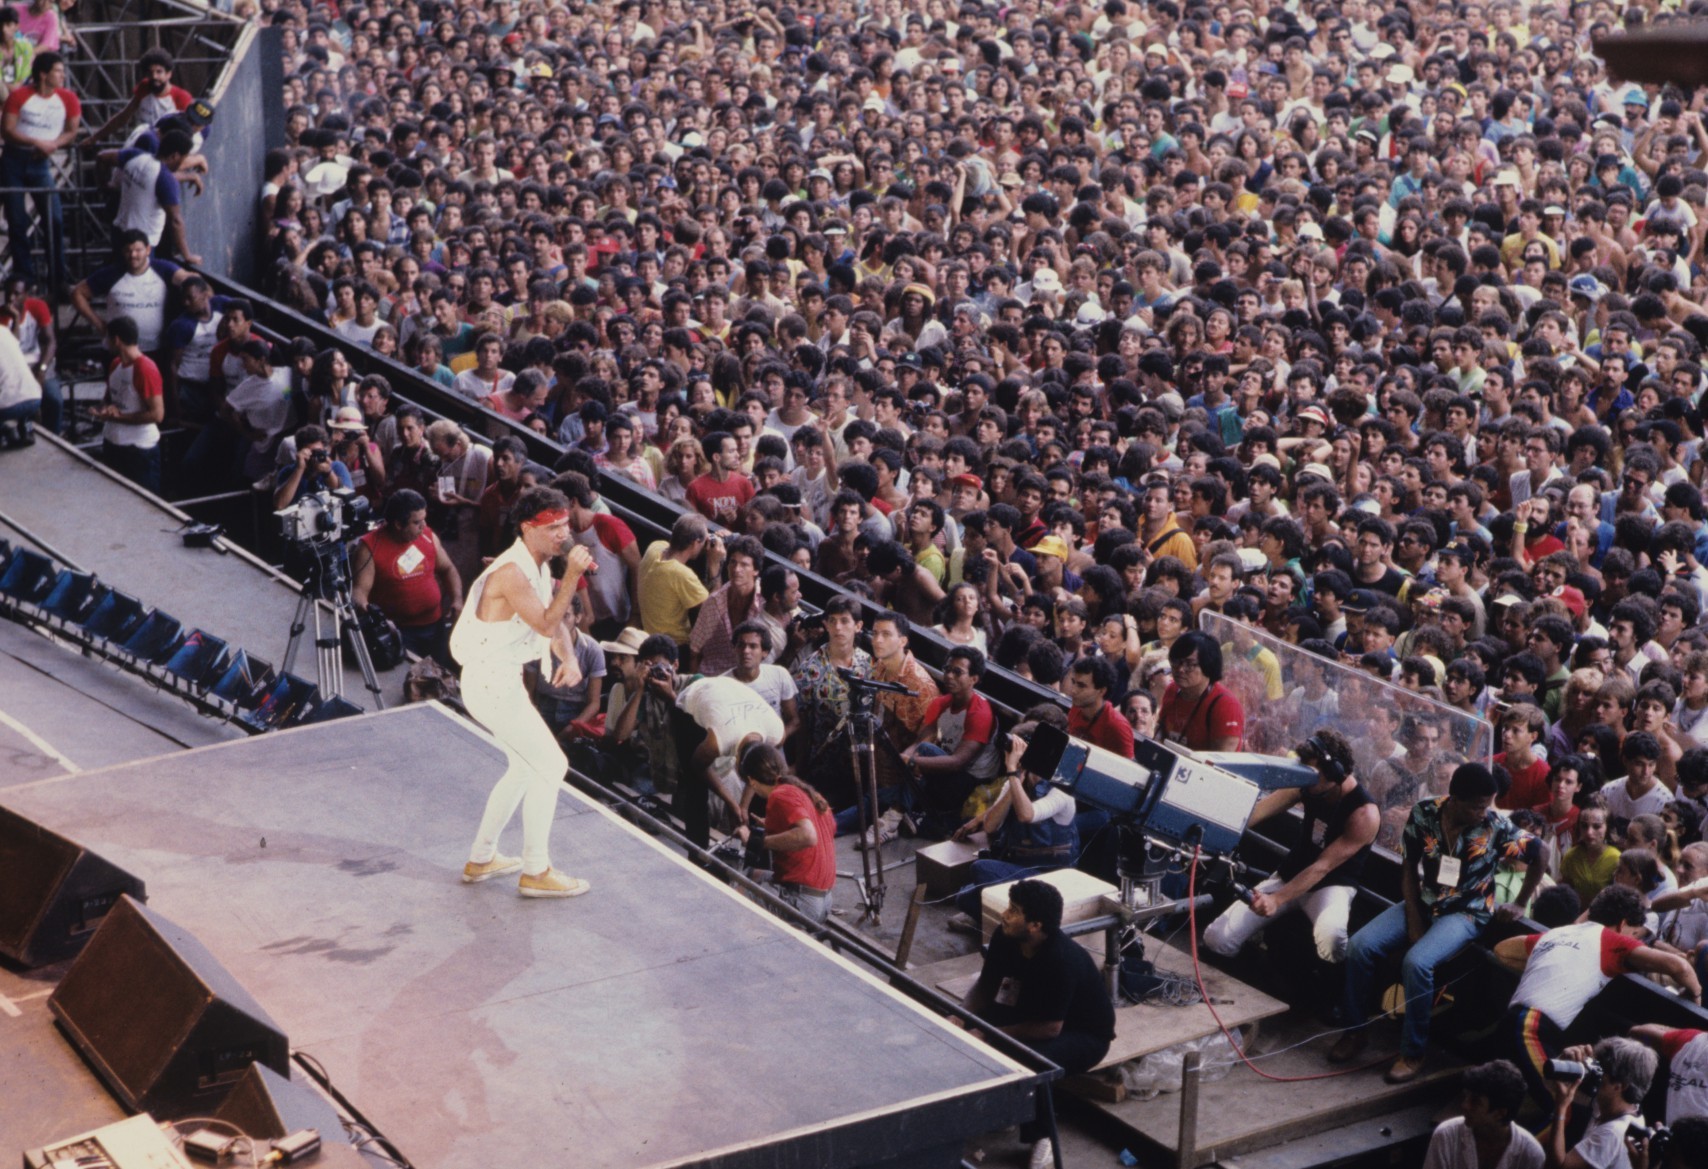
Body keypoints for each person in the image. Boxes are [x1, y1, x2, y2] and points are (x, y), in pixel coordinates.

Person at [1333, 763, 1544, 1084]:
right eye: (1477, 805)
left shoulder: (1495, 826)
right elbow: (1408, 866)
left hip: (1467, 911)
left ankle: (1412, 1052)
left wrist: (1518, 903)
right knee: (1359, 946)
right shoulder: (1425, 813)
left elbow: (1539, 854)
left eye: (1486, 804)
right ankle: (1354, 1031)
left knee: (1417, 963)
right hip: (1426, 900)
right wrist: (1414, 916)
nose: (1483, 811)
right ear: (1455, 799)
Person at [449, 487, 595, 899]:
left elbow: (555, 625)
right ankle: (536, 870)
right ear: (528, 528)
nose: (562, 535)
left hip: (502, 680)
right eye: (553, 528)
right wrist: (573, 575)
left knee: (523, 768)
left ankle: (481, 858)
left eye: (565, 526)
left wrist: (568, 659)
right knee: (551, 765)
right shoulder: (512, 572)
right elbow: (549, 623)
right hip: (490, 683)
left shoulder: (539, 565)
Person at [1497, 885, 1700, 1110]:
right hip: (1531, 1028)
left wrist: (1549, 960)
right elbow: (1679, 966)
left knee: (1506, 1102)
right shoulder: (1612, 940)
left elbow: (1502, 949)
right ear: (1622, 924)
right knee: (1563, 1110)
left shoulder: (1557, 933)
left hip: (1515, 1018)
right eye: (1634, 933)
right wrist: (1696, 995)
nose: (1634, 938)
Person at [959, 879, 1115, 1169]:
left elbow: (1050, 1028)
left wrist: (991, 1036)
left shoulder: (1061, 960)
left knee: (1030, 1060)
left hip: (1081, 1035)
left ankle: (1042, 1137)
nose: (1005, 915)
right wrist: (960, 1015)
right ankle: (1005, 1106)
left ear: (1035, 925)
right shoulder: (1005, 938)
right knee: (966, 1030)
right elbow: (985, 987)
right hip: (1029, 1012)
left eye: (1015, 911)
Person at [1203, 730, 1379, 971]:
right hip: (1291, 872)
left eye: (1311, 774)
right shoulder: (1307, 786)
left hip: (1331, 884)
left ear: (1335, 774)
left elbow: (1322, 867)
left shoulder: (1364, 814)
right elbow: (1253, 815)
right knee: (1216, 939)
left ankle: (1331, 983)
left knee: (1331, 936)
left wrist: (1276, 899)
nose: (1304, 778)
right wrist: (1212, 830)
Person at [948, 722, 1079, 926]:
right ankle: (1006, 918)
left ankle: (1013, 924)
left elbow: (1027, 814)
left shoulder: (1061, 790)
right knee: (963, 897)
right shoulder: (1016, 781)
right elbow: (991, 826)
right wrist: (1015, 780)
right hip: (1020, 867)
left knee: (981, 870)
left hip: (1049, 879)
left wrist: (1011, 772)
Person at [349, 488, 462, 668]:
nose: (423, 526)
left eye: (424, 519)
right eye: (416, 522)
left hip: (435, 625)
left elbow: (448, 569)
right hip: (401, 632)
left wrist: (457, 599)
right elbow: (359, 592)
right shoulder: (369, 548)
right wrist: (372, 617)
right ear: (398, 524)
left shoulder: (427, 535)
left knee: (439, 672)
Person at [735, 742, 836, 924]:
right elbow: (826, 829)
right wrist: (776, 826)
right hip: (823, 900)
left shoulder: (779, 795)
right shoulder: (804, 791)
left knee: (734, 895)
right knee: (750, 874)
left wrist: (755, 841)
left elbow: (809, 836)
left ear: (752, 781)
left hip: (803, 903)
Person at [0, 51, 77, 286]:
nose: (62, 76)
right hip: (14, 160)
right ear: (43, 74)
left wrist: (53, 144)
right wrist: (36, 142)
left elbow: (71, 130)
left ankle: (58, 276)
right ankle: (24, 275)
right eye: (58, 71)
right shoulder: (20, 97)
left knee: (53, 217)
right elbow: (8, 130)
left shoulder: (67, 99)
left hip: (40, 163)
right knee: (16, 218)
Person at [1542, 1038, 1656, 1169]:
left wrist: (1560, 1109)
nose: (1594, 1076)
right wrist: (1564, 1061)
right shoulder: (1622, 1105)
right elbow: (1550, 1085)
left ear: (1620, 1086)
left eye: (1601, 1073)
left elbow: (1556, 1167)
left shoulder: (1614, 1132)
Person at [1421, 1060, 1544, 1169]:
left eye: (1475, 1101)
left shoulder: (1531, 1154)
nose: (1465, 1105)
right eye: (1466, 1096)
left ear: (1500, 1113)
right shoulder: (1446, 1135)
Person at [91, 314, 163, 491]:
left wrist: (119, 417)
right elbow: (109, 398)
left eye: (107, 337)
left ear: (116, 340)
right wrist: (104, 409)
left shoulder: (145, 368)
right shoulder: (115, 364)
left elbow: (157, 414)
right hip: (113, 443)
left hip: (138, 450)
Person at [638, 511, 722, 646]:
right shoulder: (681, 574)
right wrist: (715, 564)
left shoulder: (654, 547)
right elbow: (713, 609)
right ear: (695, 543)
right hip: (674, 645)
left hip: (649, 636)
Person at [1159, 630, 1245, 751]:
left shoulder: (1226, 705)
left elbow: (1221, 761)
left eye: (1189, 664)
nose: (1180, 669)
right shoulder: (1172, 689)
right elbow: (1161, 736)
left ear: (1207, 664)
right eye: (1176, 661)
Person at [1064, 656, 1136, 759]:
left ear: (1101, 691)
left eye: (1081, 685)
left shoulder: (1117, 726)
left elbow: (1130, 770)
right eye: (1073, 682)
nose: (1073, 690)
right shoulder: (1077, 708)